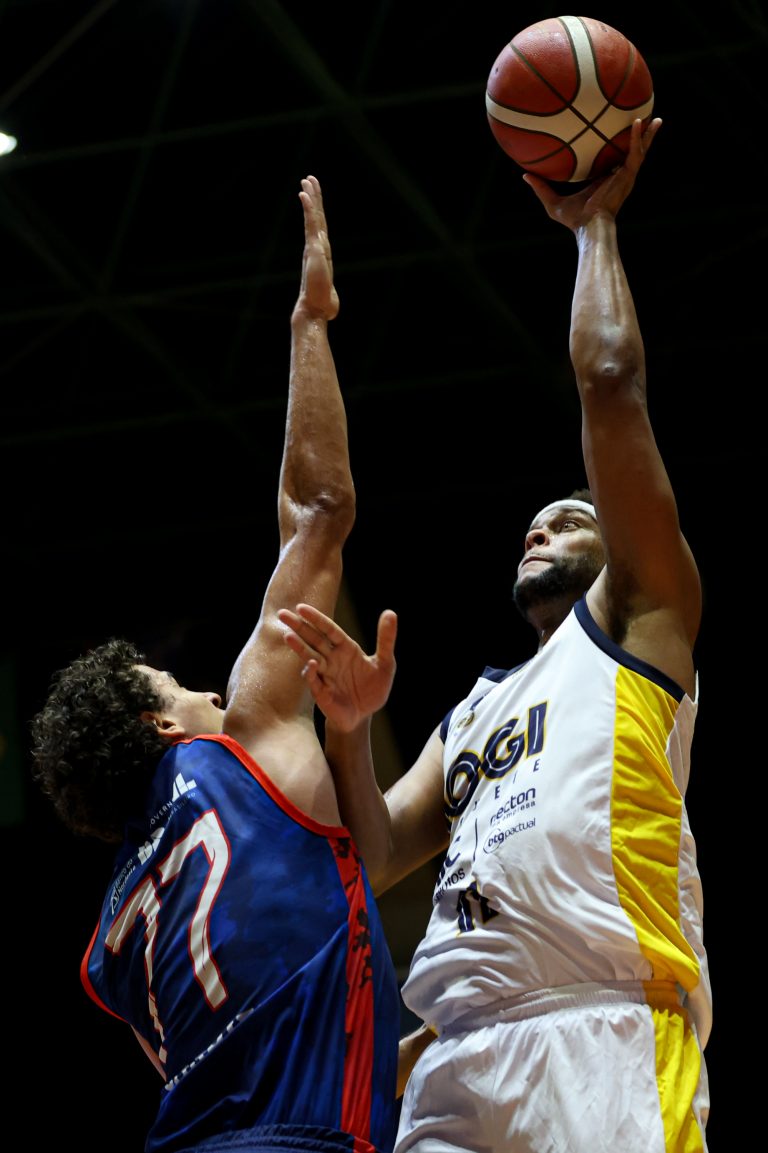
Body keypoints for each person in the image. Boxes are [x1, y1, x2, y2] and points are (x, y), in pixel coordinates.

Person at [277, 120, 712, 1153]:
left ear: (619, 546)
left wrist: (593, 226)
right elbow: (376, 854)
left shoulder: (642, 620)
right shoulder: (474, 711)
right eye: (533, 523)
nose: (538, 529)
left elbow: (611, 383)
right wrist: (348, 729)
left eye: (568, 519)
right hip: (459, 1057)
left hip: (603, 1030)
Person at [29, 176, 401, 1153]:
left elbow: (340, 887)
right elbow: (318, 511)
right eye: (174, 688)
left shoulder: (114, 938)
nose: (201, 687)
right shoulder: (237, 747)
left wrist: (351, 739)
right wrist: (310, 324)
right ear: (159, 728)